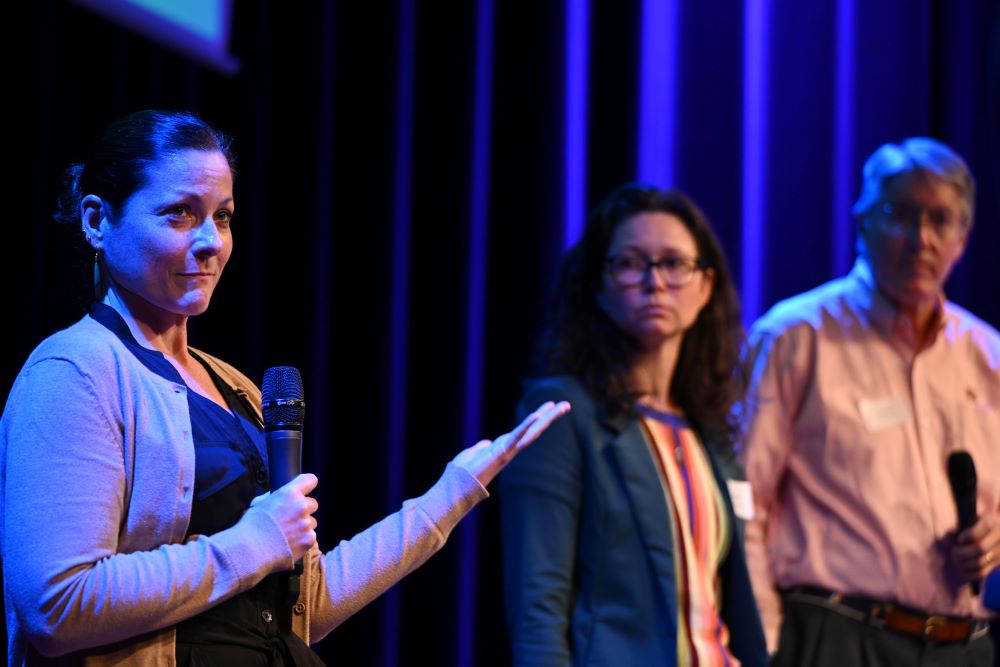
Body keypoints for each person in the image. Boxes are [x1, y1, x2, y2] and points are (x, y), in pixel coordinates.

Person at [0, 109, 570, 666]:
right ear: (97, 220)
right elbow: (57, 605)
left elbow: (304, 610)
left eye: (222, 217)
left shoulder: (235, 388)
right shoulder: (74, 372)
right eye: (179, 213)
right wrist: (252, 544)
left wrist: (452, 493)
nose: (211, 243)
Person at [742, 137, 1000, 665]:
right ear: (862, 221)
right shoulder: (796, 337)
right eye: (900, 215)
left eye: (940, 221)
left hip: (964, 645)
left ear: (963, 238)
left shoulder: (988, 355)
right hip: (837, 635)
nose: (919, 239)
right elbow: (743, 501)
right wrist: (763, 644)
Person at [499, 182, 768, 666]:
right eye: (629, 263)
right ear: (599, 287)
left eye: (674, 263)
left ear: (705, 286)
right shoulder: (561, 411)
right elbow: (537, 607)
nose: (655, 281)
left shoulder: (707, 430)